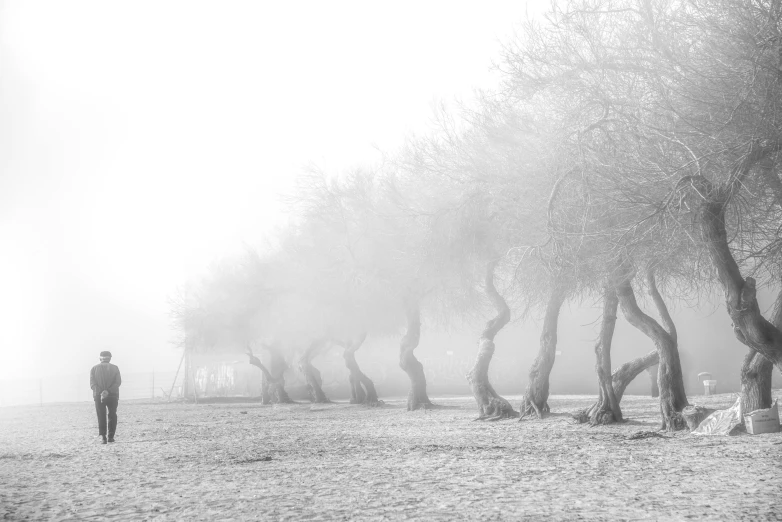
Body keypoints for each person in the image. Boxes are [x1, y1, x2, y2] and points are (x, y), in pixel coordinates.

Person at [90, 351, 121, 444]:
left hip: (98, 396)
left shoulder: (94, 368)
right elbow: (118, 382)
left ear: (100, 358)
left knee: (101, 415)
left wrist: (101, 392)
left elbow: (92, 384)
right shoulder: (115, 368)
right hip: (113, 395)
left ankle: (103, 437)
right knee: (112, 414)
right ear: (110, 358)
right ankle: (111, 436)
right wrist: (108, 391)